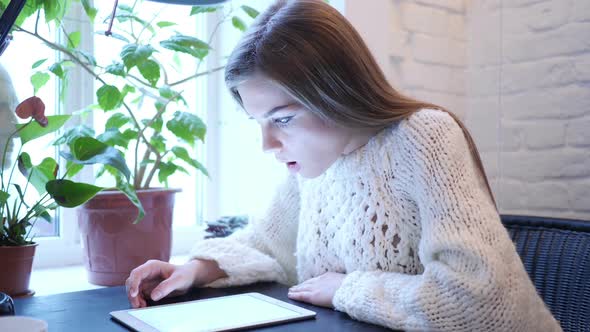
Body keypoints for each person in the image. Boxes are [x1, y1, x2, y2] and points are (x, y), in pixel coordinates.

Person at [125, 0, 561, 331]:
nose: (267, 144)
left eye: (283, 119)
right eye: (259, 122)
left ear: (335, 92)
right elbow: (269, 244)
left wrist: (346, 289)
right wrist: (195, 269)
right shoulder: (316, 164)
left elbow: (476, 301)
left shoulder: (424, 136)